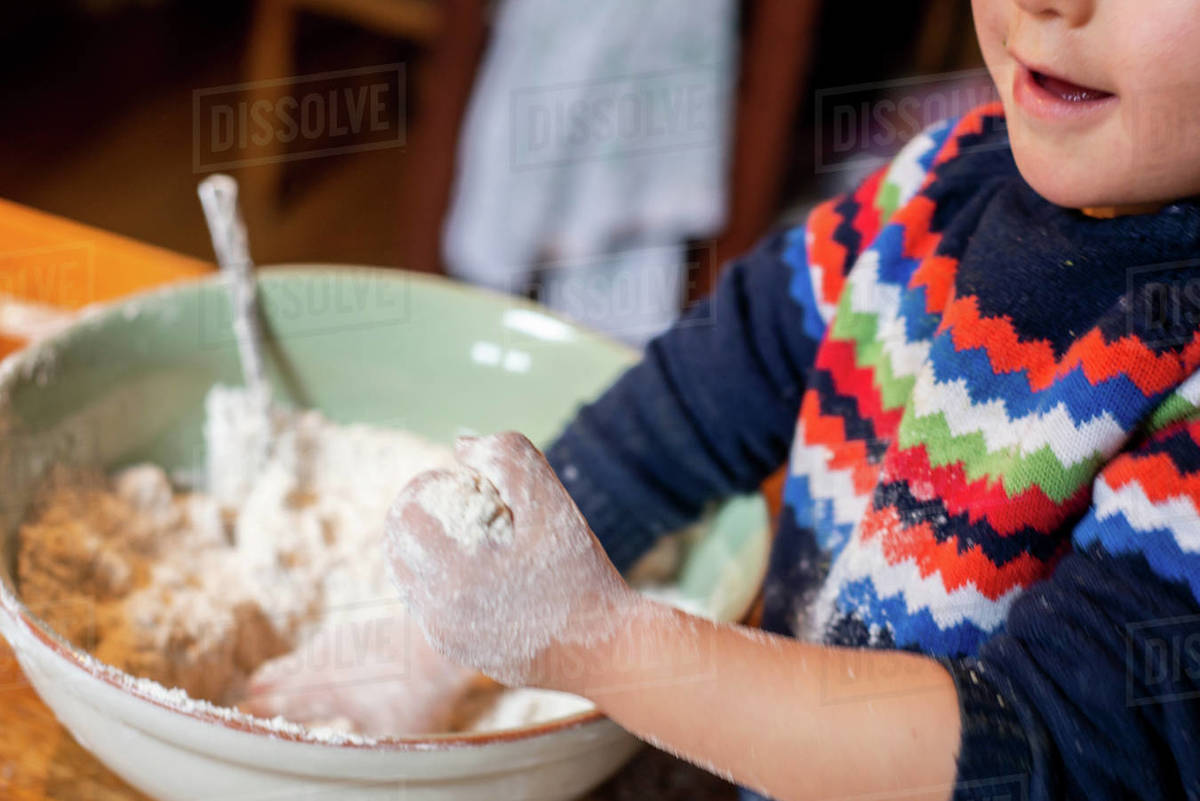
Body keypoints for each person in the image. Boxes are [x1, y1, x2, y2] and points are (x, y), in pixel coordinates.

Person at [387, 0, 1200, 798]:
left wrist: (600, 640)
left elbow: (1042, 753)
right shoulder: (931, 192)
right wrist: (448, 643)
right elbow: (695, 399)